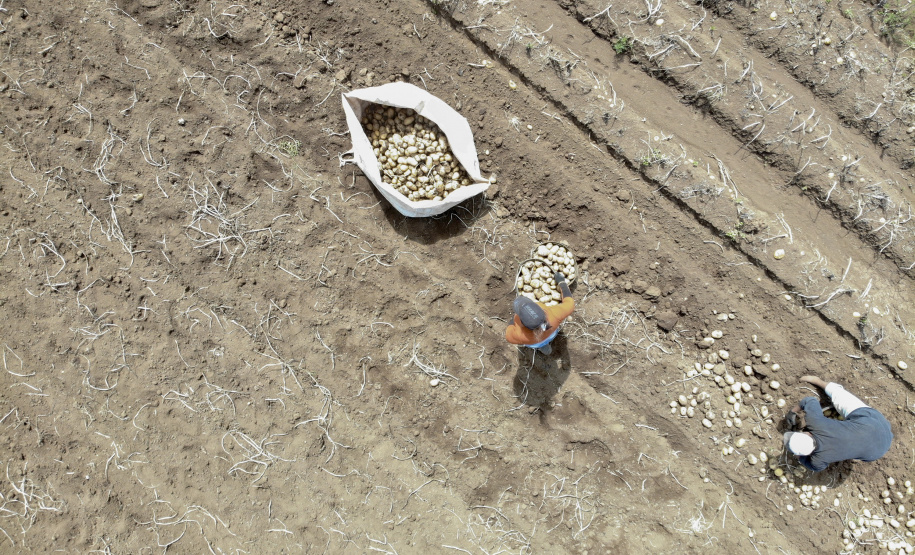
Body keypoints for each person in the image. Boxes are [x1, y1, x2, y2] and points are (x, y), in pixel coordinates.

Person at [783, 375, 893, 472]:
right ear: (807, 434)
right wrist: (792, 412)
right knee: (839, 396)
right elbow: (809, 400)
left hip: (877, 451)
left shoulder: (818, 461)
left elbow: (813, 466)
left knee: (853, 445)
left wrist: (799, 457)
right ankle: (819, 382)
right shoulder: (816, 424)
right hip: (874, 422)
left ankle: (817, 381)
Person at [505, 272, 574, 355]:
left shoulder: (520, 335)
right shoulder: (554, 315)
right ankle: (546, 346)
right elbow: (570, 303)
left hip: (535, 343)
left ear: (523, 324)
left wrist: (514, 320)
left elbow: (508, 334)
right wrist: (561, 282)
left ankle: (543, 347)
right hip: (551, 334)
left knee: (539, 344)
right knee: (548, 338)